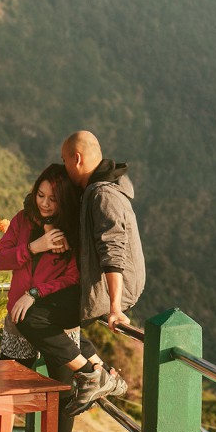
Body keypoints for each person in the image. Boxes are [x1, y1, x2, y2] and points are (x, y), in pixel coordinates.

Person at [0, 163, 83, 432]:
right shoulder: (22, 220)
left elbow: (73, 278)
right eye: (40, 195)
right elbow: (0, 259)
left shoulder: (72, 232)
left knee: (63, 396)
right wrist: (35, 247)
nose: (44, 203)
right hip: (18, 323)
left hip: (58, 324)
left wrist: (35, 294)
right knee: (4, 393)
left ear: (63, 200)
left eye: (52, 198)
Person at [59, 130, 146, 415]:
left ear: (78, 158)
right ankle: (100, 371)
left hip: (114, 288)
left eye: (65, 160)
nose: (64, 166)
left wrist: (114, 307)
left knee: (41, 318)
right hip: (103, 284)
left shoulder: (103, 194)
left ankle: (99, 375)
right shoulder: (94, 190)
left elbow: (113, 250)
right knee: (54, 316)